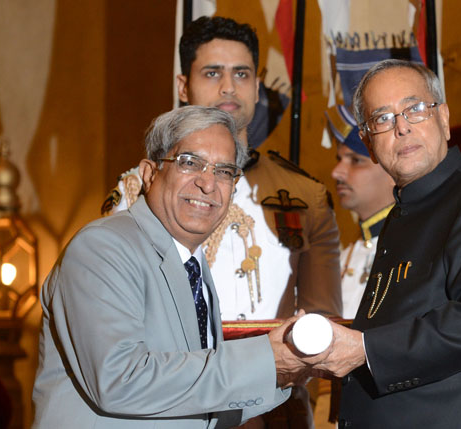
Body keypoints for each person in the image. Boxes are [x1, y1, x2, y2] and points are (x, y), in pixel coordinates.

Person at [102, 16, 342, 427]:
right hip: (176, 399)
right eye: (212, 73)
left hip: (276, 403)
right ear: (183, 86)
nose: (229, 88)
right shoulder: (141, 190)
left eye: (242, 74)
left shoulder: (305, 196)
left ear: (257, 85)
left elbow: (324, 324)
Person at [32, 106, 314, 429]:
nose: (208, 184)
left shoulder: (192, 265)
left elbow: (191, 396)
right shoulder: (102, 247)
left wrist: (286, 372)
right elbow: (121, 380)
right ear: (150, 173)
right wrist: (266, 360)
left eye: (224, 171)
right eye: (190, 163)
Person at [302, 59, 461, 428]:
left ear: (443, 118)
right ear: (369, 143)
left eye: (414, 109)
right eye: (383, 118)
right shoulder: (403, 212)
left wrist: (364, 350)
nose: (402, 127)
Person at [327, 105, 395, 318]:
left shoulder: (415, 250)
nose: (336, 172)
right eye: (340, 159)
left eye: (355, 161)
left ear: (392, 171)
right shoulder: (343, 257)